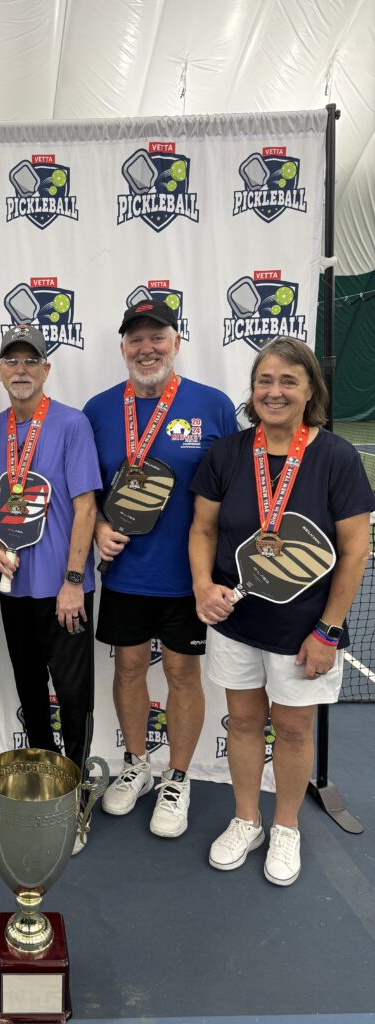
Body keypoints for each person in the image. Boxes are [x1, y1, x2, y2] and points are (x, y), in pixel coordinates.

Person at [190, 336, 373, 885]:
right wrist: (203, 586)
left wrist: (329, 631)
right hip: (235, 623)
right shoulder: (226, 453)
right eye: (265, 380)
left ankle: (286, 826)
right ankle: (246, 819)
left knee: (292, 731)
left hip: (304, 632)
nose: (275, 391)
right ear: (252, 390)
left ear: (311, 389)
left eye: (288, 381)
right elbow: (202, 529)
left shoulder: (335, 456)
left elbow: (355, 550)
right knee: (244, 722)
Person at [83, 299, 237, 839]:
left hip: (189, 579)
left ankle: (177, 776)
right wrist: (100, 525)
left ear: (177, 341)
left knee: (180, 675)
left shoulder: (212, 405)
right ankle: (135, 763)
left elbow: (234, 491)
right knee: (127, 671)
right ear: (123, 348)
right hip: (124, 575)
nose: (146, 348)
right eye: (135, 340)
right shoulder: (99, 409)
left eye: (157, 337)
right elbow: (86, 491)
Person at [0, 324, 102, 852]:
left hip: (64, 591)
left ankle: (75, 798)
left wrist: (73, 580)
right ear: (0, 371)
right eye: (12, 361)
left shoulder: (72, 424)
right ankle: (44, 783)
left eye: (32, 361)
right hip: (14, 589)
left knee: (73, 695)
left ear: (46, 370)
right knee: (31, 690)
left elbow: (85, 506)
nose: (22, 370)